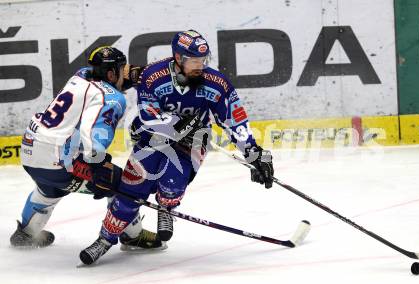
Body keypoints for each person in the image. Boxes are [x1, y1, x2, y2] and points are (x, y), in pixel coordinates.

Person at [79, 30, 274, 265]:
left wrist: (252, 152)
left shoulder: (217, 83)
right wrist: (176, 124)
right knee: (130, 192)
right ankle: (105, 239)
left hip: (191, 143)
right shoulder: (153, 75)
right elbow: (148, 113)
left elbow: (234, 119)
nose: (199, 66)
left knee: (172, 184)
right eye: (193, 61)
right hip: (153, 139)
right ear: (178, 58)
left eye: (202, 60)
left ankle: (166, 209)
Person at [10, 46, 162, 252]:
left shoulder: (81, 75)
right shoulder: (113, 99)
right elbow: (95, 133)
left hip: (31, 151)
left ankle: (26, 234)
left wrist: (127, 77)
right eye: (121, 67)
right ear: (111, 73)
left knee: (48, 191)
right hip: (59, 162)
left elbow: (106, 82)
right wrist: (98, 166)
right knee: (123, 183)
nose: (125, 71)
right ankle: (131, 236)